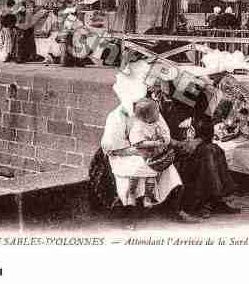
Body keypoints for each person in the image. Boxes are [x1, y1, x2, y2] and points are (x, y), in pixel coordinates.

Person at [100, 62, 199, 224]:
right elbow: (112, 147)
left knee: (170, 171)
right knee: (137, 169)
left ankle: (176, 209)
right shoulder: (117, 116)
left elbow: (164, 132)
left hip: (151, 152)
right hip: (125, 154)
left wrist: (162, 142)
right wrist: (138, 150)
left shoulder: (150, 110)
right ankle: (130, 215)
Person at [151, 78, 240, 219]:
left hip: (193, 144)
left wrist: (196, 142)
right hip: (169, 146)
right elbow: (154, 132)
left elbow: (207, 129)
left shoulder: (193, 98)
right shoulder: (156, 103)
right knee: (207, 154)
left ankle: (214, 200)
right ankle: (202, 203)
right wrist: (177, 143)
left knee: (214, 150)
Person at [129, 98, 172, 207]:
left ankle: (147, 197)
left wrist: (161, 141)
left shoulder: (157, 123)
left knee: (151, 176)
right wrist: (154, 143)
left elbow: (166, 136)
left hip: (154, 156)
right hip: (141, 155)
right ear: (147, 117)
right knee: (135, 175)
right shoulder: (138, 126)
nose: (159, 113)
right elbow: (137, 143)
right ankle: (131, 194)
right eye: (156, 112)